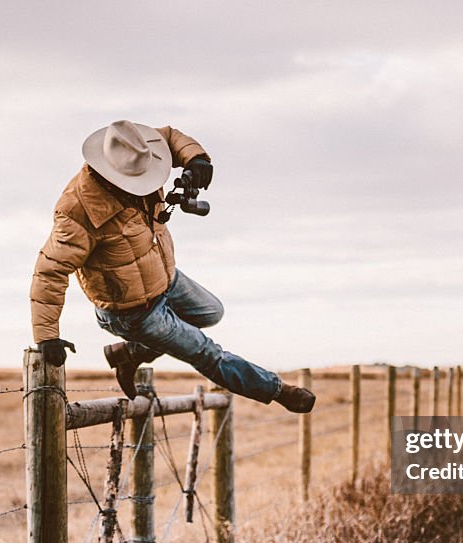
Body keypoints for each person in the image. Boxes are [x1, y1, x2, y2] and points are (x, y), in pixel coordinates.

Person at [29, 120, 315, 413]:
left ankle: (130, 354)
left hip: (166, 280)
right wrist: (47, 337)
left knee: (211, 312)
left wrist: (196, 157)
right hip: (131, 312)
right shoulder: (77, 211)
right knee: (206, 353)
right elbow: (49, 272)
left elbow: (167, 136)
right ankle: (278, 391)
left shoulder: (137, 149)